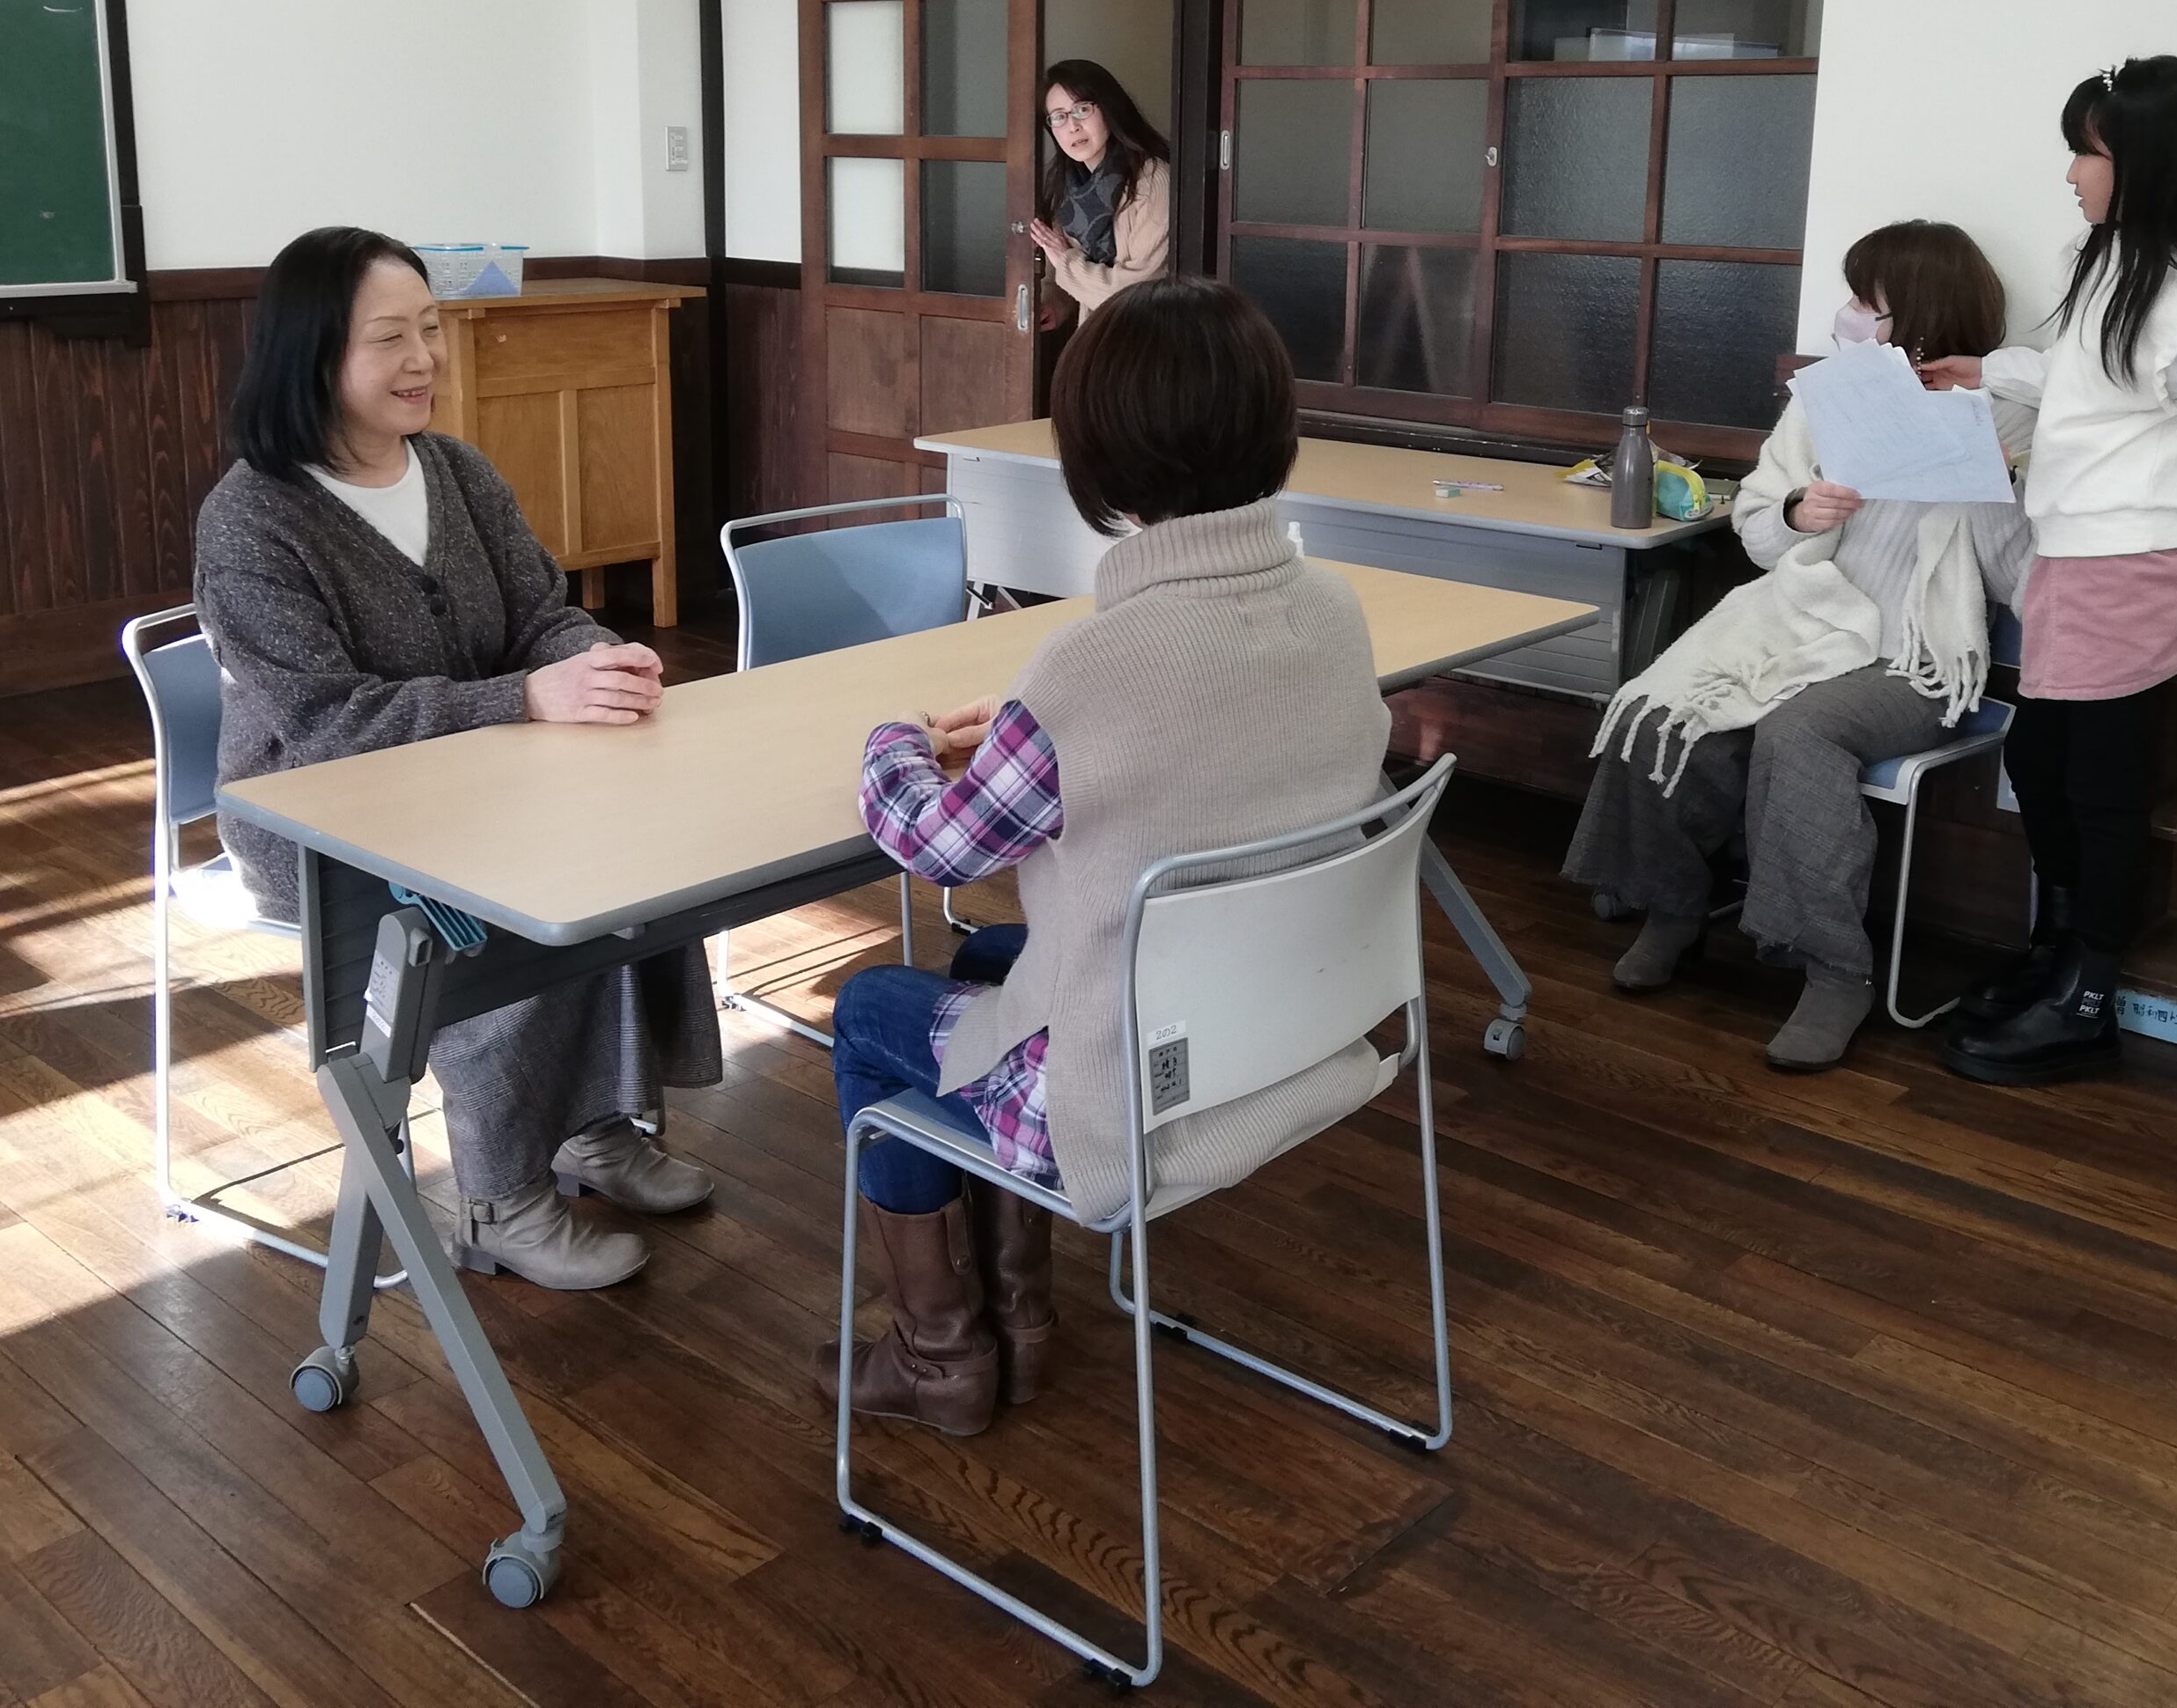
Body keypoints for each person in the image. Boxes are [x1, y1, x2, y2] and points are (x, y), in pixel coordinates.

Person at [816, 277, 1391, 1437]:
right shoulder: (1334, 611)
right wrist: (1035, 737)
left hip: (1135, 1095)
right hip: (1289, 1036)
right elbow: (1211, 750)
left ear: (1100, 461)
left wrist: (896, 740)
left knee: (869, 1009)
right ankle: (1019, 1315)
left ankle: (938, 1354)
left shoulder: (1091, 668)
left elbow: (935, 845)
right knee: (991, 959)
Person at [195, 228, 720, 1288]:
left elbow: (539, 611)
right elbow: (326, 724)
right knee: (510, 894)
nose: (423, 358)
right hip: (323, 825)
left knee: (634, 852)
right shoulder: (251, 519)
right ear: (312, 354)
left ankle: (595, 1125)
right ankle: (499, 1195)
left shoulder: (457, 471)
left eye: (429, 328)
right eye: (388, 337)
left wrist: (593, 660)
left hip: (479, 778)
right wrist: (523, 698)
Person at [1564, 222, 2033, 1074]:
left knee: (1799, 733)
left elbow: (2019, 583)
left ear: (1919, 310)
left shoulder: (2008, 412)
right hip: (1799, 619)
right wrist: (1796, 512)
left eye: (1866, 300)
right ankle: (1673, 907)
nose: (1848, 313)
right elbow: (1755, 530)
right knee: (1661, 703)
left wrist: (1992, 485)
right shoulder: (1827, 398)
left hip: (1912, 657)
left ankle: (1835, 970)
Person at [1921, 56, 2177, 1085]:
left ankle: (2088, 996)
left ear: (2144, 161)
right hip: (2073, 557)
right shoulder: (2107, 261)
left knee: (2098, 787)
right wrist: (1983, 372)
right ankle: (2057, 951)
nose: (2070, 173)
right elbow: (2081, 373)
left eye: (2086, 152)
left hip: (2136, 562)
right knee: (2038, 764)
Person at [1031, 58, 1170, 327]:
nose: (1072, 126)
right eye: (1059, 116)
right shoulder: (1065, 185)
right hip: (1097, 334)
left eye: (1082, 109)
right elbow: (1064, 276)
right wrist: (1053, 305)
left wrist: (1065, 261)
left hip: (1147, 336)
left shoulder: (1153, 181)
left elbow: (1137, 295)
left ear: (1109, 108)